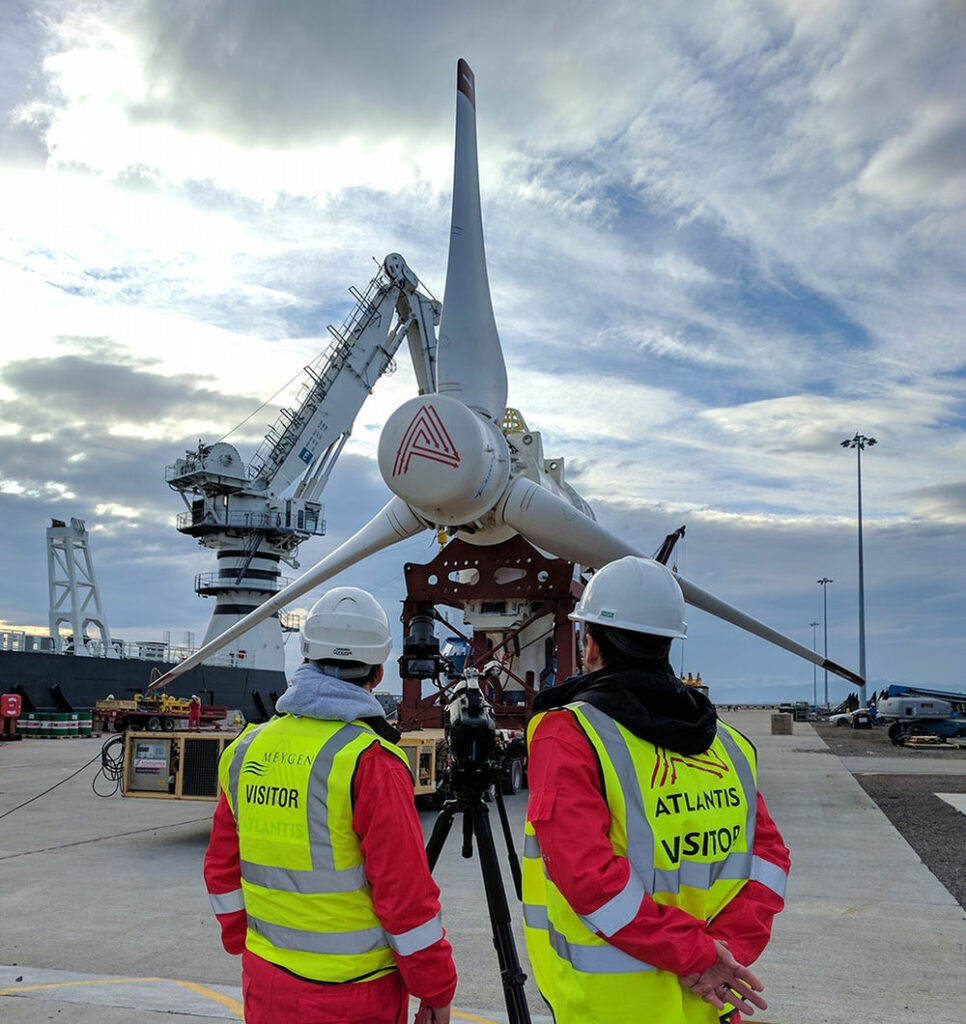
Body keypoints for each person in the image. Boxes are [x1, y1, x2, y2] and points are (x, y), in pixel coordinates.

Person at [522, 556, 790, 1023]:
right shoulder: (728, 745)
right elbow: (769, 859)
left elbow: (590, 881)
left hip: (609, 1008)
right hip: (708, 1001)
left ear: (589, 645)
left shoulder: (567, 733)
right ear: (669, 643)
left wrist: (699, 956)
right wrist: (725, 950)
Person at [204, 586, 457, 1024]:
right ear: (377, 674)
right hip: (356, 995)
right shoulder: (371, 762)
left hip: (266, 983)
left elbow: (221, 871)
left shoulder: (245, 751)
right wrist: (435, 989)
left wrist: (246, 942)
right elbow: (406, 899)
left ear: (305, 658)